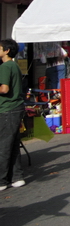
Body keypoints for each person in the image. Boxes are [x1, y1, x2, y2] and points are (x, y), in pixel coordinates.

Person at [0, 39, 25, 191]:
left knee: (4, 145)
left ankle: (2, 181)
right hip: (16, 107)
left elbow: (4, 89)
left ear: (7, 50)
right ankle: (17, 177)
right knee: (13, 144)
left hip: (7, 109)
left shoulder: (5, 66)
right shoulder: (15, 65)